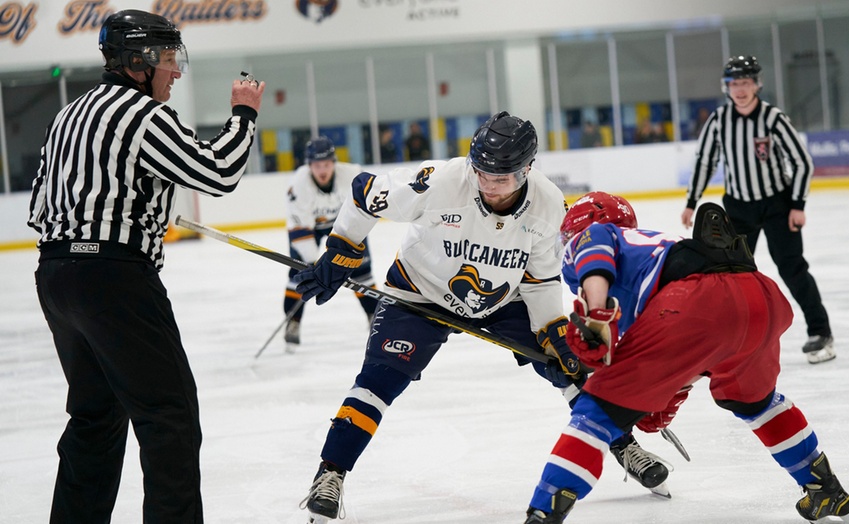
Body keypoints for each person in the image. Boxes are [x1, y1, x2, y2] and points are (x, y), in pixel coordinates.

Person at [292, 112, 670, 522]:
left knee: (570, 368)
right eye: (482, 173)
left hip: (502, 299)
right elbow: (365, 192)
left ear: (527, 169)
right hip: (419, 293)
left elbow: (541, 279)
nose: (488, 185)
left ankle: (623, 445)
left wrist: (550, 328)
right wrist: (340, 252)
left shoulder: (547, 206)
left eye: (501, 178)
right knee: (378, 381)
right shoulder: (439, 180)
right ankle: (330, 474)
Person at [27, 10, 264, 523]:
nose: (177, 71)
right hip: (113, 279)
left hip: (55, 275)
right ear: (140, 61)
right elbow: (218, 172)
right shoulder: (142, 115)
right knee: (169, 417)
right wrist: (243, 115)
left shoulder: (67, 114)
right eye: (170, 59)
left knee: (95, 417)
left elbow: (41, 205)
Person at [521, 192, 849, 524]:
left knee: (597, 411)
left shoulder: (596, 233)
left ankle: (543, 514)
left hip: (696, 299)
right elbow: (701, 342)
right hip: (760, 297)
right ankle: (825, 489)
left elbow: (597, 257)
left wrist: (595, 315)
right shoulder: (657, 246)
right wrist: (675, 390)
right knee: (756, 402)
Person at [681, 55, 834, 364]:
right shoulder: (719, 121)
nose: (740, 89)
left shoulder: (773, 118)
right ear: (726, 87)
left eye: (746, 82)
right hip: (738, 210)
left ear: (757, 85)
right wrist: (691, 202)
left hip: (777, 205)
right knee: (731, 275)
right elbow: (704, 161)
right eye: (734, 83)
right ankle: (729, 341)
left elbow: (803, 162)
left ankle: (821, 332)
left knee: (792, 269)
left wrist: (797, 205)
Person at [283, 136, 379, 352]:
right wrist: (313, 264)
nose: (323, 170)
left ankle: (374, 317)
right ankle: (293, 322)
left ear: (334, 162)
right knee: (299, 273)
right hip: (309, 229)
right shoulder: (300, 184)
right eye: (317, 165)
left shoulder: (353, 175)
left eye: (326, 164)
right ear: (309, 166)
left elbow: (366, 212)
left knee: (362, 272)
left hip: (346, 226)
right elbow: (300, 230)